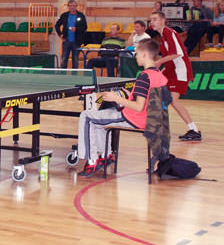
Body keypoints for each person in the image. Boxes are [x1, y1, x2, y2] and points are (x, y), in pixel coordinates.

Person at [77, 39, 168, 177]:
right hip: (151, 119)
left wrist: (116, 99)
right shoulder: (159, 75)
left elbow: (139, 107)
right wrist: (127, 94)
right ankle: (106, 156)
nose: (136, 56)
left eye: (137, 54)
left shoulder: (144, 76)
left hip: (134, 118)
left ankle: (92, 161)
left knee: (86, 116)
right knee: (100, 119)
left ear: (144, 55)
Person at [150, 11, 201, 141]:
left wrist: (159, 62)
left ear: (163, 20)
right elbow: (170, 57)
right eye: (151, 20)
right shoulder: (163, 36)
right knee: (161, 96)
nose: (152, 22)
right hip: (171, 71)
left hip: (180, 71)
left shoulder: (169, 32)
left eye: (155, 19)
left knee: (173, 100)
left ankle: (194, 130)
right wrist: (164, 68)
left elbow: (177, 53)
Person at [55, 0, 87, 69]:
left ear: (76, 6)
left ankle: (74, 74)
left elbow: (84, 27)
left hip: (76, 41)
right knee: (64, 60)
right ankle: (63, 74)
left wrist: (76, 29)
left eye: (74, 6)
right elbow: (57, 25)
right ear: (68, 7)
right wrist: (60, 34)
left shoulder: (81, 16)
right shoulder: (64, 15)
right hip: (66, 40)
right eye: (70, 6)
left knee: (75, 61)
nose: (72, 7)